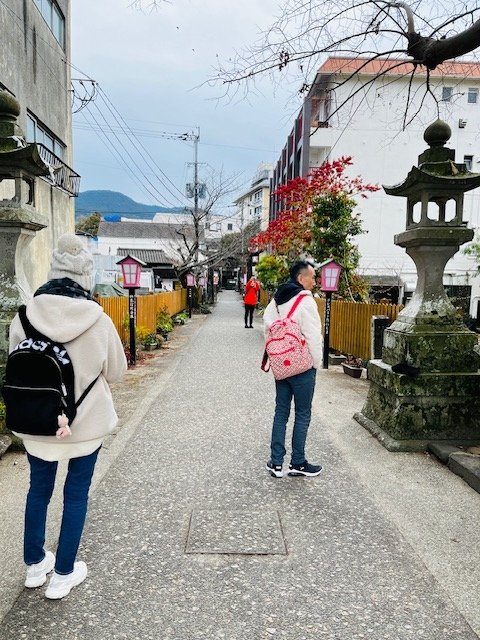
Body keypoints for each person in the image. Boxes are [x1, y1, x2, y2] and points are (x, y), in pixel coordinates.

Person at [9, 234, 127, 599]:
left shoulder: (25, 315)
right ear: (85, 275)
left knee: (38, 491)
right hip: (85, 427)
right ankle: (63, 574)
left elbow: (18, 365)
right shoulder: (98, 319)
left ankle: (34, 566)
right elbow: (117, 372)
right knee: (76, 495)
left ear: (53, 269)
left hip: (38, 424)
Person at [263, 260, 323, 478]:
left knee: (281, 412)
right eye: (313, 277)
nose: (315, 282)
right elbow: (313, 337)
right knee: (303, 414)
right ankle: (298, 462)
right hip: (302, 367)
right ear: (301, 279)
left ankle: (276, 463)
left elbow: (268, 327)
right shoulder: (306, 301)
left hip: (282, 365)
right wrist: (315, 364)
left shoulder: (277, 300)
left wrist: (277, 357)